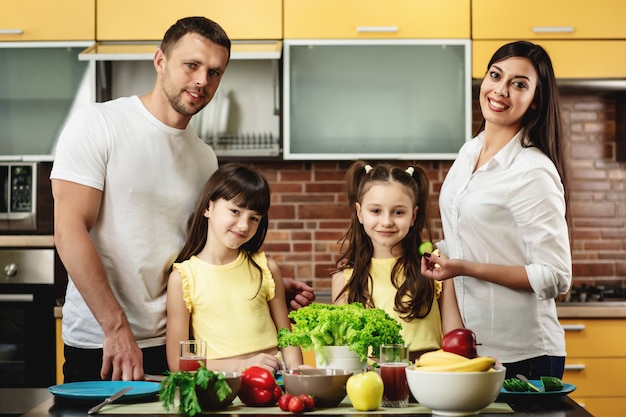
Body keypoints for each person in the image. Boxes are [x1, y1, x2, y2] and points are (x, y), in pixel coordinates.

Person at [50, 16, 314, 383]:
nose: (202, 81)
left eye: (215, 72)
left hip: (178, 341)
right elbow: (68, 232)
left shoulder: (204, 157)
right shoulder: (98, 124)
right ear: (160, 61)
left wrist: (248, 281)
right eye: (191, 65)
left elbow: (196, 249)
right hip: (104, 342)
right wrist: (115, 327)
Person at [420, 40, 572, 379]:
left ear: (535, 102)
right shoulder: (469, 152)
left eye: (519, 84)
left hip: (525, 355)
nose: (501, 90)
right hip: (471, 349)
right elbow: (473, 236)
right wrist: (439, 254)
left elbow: (555, 277)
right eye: (495, 75)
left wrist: (464, 267)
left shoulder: (532, 170)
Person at [166, 164, 304, 373]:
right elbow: (179, 364)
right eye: (235, 211)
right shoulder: (183, 277)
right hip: (221, 383)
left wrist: (297, 373)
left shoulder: (266, 268)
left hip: (274, 378)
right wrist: (243, 365)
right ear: (208, 208)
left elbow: (287, 339)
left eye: (254, 218)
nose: (243, 225)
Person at [331, 161, 463, 362]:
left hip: (429, 379)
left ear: (413, 215)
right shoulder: (345, 278)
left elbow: (455, 337)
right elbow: (342, 352)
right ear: (359, 213)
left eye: (398, 212)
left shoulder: (434, 267)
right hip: (372, 382)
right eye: (375, 211)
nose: (386, 221)